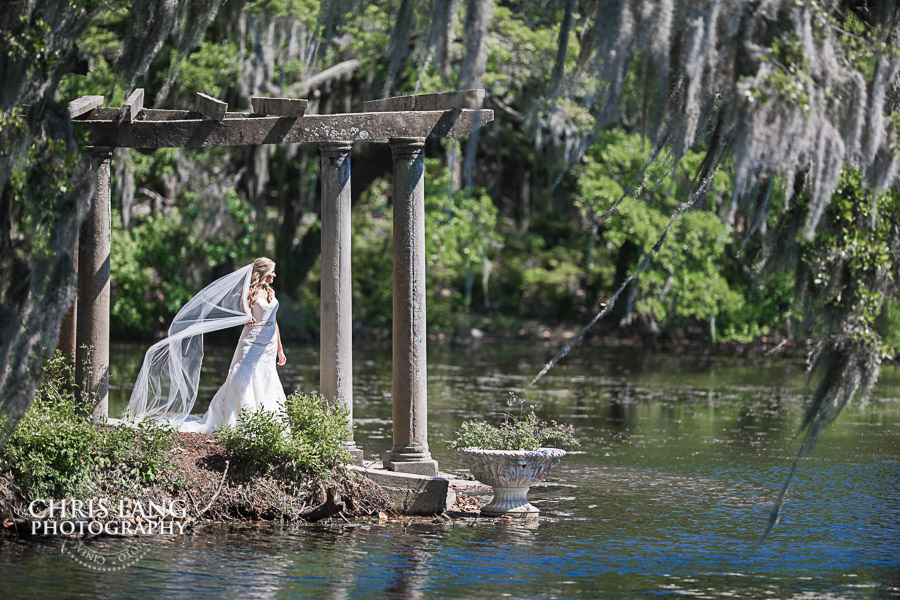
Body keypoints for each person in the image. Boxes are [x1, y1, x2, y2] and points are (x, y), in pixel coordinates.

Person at [122, 257, 288, 434]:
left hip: (268, 345)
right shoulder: (249, 291)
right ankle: (238, 420)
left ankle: (268, 422)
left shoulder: (271, 292)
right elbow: (242, 313)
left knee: (267, 378)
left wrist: (280, 349)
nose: (274, 275)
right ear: (262, 272)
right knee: (240, 376)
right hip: (252, 341)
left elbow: (274, 321)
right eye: (272, 271)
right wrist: (246, 319)